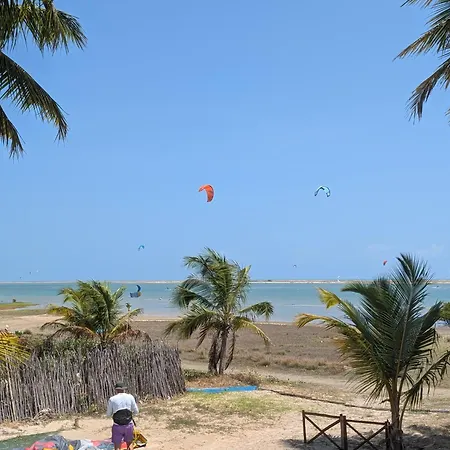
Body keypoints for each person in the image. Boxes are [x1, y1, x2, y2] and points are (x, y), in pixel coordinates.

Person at [106, 381, 139, 450]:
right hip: (129, 425)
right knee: (130, 444)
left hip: (117, 425)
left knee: (117, 446)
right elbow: (136, 411)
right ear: (124, 389)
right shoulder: (130, 397)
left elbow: (108, 414)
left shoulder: (112, 399)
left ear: (116, 389)